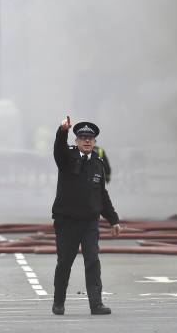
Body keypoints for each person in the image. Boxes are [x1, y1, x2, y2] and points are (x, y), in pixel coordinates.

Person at [51, 116, 121, 316]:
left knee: (92, 261)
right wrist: (62, 131)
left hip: (90, 222)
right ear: (77, 141)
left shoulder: (97, 163)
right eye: (82, 137)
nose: (87, 141)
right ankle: (59, 302)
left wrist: (113, 220)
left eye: (90, 138)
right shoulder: (66, 158)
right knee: (65, 262)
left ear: (95, 142)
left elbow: (102, 194)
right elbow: (58, 148)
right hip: (67, 221)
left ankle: (96, 304)